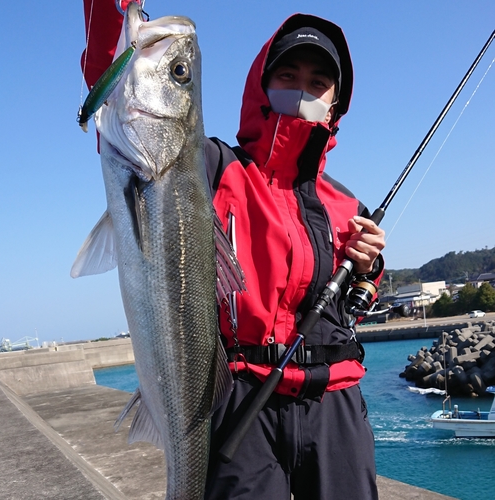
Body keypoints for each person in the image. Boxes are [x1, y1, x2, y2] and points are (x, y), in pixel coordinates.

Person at [81, 2, 385, 499]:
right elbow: (109, 86)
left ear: (336, 102)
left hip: (335, 405)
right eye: (287, 74)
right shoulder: (209, 166)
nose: (301, 91)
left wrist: (368, 267)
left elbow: (356, 307)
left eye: (317, 82)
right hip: (240, 401)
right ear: (260, 85)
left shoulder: (348, 203)